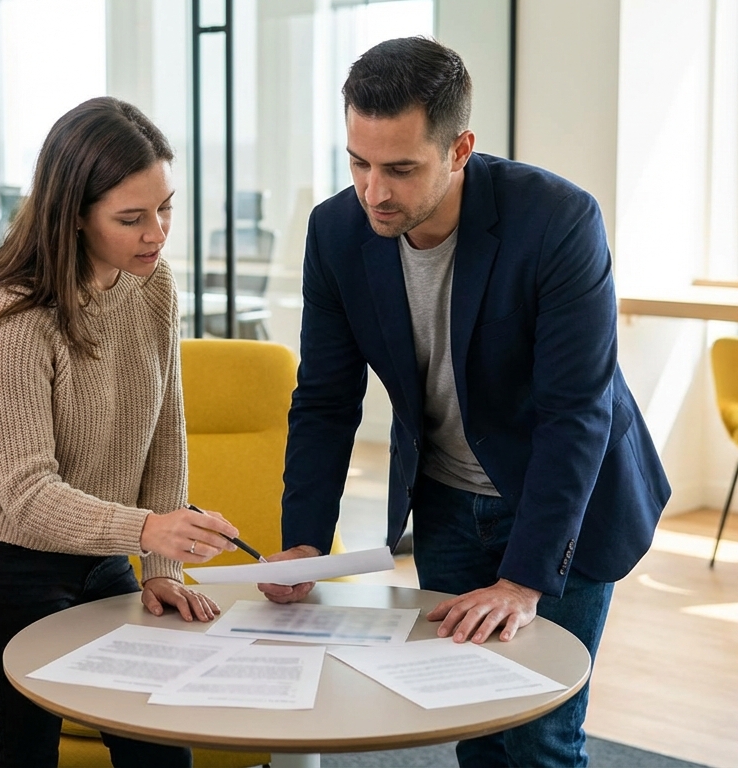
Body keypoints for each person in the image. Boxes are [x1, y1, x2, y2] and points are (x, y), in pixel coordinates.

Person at [259, 37, 671, 767]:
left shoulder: (558, 221)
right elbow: (325, 398)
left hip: (560, 501)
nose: (374, 191)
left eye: (400, 168)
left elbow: (574, 413)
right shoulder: (336, 232)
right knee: (473, 724)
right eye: (358, 162)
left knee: (541, 734)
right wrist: (304, 545)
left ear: (460, 149)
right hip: (446, 501)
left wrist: (522, 580)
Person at [0, 96, 242, 768]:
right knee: (26, 756)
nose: (157, 234)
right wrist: (146, 532)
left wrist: (162, 568)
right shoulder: (11, 316)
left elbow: (165, 434)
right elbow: (28, 494)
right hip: (1, 561)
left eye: (165, 208)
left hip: (98, 555)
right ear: (74, 216)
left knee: (158, 747)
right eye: (131, 218)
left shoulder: (154, 285)